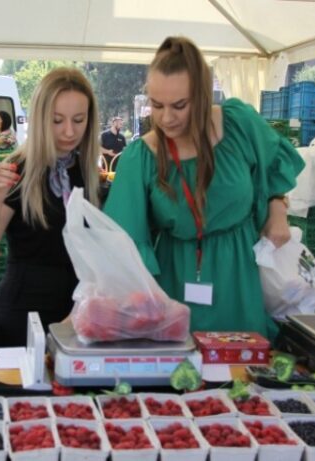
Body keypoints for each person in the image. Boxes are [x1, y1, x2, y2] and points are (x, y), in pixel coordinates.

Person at [104, 37, 304, 340]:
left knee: (243, 374)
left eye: (179, 105)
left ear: (200, 96)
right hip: (175, 287)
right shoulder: (141, 158)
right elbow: (125, 244)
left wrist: (278, 210)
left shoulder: (240, 125)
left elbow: (274, 170)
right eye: (157, 105)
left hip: (239, 278)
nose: (166, 118)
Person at [0, 68, 102, 347]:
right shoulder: (18, 169)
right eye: (57, 120)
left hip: (78, 316)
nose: (69, 131)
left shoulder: (88, 172)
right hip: (23, 316)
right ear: (40, 119)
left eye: (79, 120)